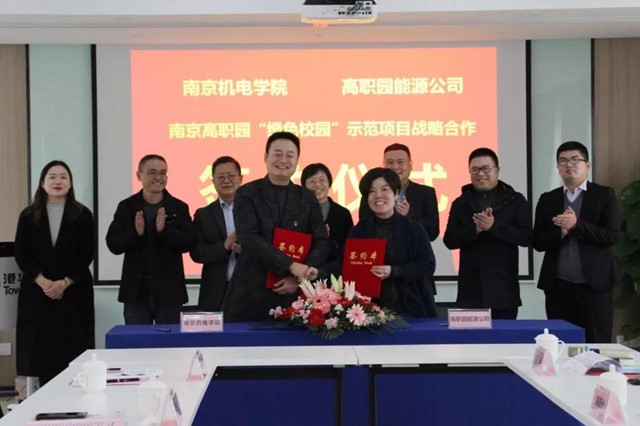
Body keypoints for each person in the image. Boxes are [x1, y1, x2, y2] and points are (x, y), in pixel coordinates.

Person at [222, 131, 330, 321]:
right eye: (277, 154)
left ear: (297, 160)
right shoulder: (247, 193)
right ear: (265, 157)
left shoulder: (306, 197)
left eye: (290, 155)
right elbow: (249, 238)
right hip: (251, 293)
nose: (283, 160)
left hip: (294, 296)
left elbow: (321, 240)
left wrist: (300, 276)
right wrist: (290, 265)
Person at [14, 160, 95, 386]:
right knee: (41, 351)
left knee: (74, 352)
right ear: (42, 183)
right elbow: (21, 253)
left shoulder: (82, 214)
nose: (58, 181)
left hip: (74, 291)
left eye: (63, 177)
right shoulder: (28, 215)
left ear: (70, 183)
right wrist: (43, 282)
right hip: (38, 292)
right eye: (52, 177)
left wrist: (64, 283)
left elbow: (86, 253)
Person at [320, 167, 437, 317]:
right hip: (369, 312)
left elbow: (428, 265)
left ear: (396, 193)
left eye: (384, 189)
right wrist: (318, 272)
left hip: (409, 308)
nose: (378, 195)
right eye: (372, 191)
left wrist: (393, 271)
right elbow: (344, 263)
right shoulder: (359, 230)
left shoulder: (413, 228)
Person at [533, 141, 620, 343]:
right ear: (558, 167)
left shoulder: (603, 195)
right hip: (558, 286)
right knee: (561, 342)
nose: (569, 165)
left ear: (587, 165)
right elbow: (537, 241)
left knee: (597, 342)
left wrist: (576, 225)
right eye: (563, 161)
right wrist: (561, 233)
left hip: (594, 286)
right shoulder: (548, 199)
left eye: (575, 159)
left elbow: (611, 236)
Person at [106, 154, 196, 324]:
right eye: (152, 172)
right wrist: (135, 234)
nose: (158, 177)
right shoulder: (127, 206)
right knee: (137, 339)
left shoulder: (178, 207)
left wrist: (164, 232)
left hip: (169, 292)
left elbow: (189, 242)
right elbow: (113, 244)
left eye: (163, 173)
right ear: (139, 175)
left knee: (170, 339)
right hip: (136, 291)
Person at [443, 148, 532, 319]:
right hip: (470, 290)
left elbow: (526, 237)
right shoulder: (461, 203)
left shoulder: (515, 200)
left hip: (503, 290)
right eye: (475, 169)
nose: (480, 174)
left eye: (486, 168)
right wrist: (475, 230)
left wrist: (493, 227)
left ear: (497, 170)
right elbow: (449, 240)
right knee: (470, 336)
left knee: (504, 335)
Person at [190, 156, 243, 311]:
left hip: (248, 289)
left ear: (240, 179)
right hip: (215, 292)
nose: (226, 180)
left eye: (231, 176)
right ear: (213, 182)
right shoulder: (203, 215)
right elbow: (196, 253)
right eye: (221, 177)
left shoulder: (254, 211)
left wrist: (246, 249)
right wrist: (224, 247)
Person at [358, 143, 439, 241]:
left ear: (410, 165)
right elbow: (363, 231)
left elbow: (432, 233)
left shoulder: (426, 193)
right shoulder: (371, 194)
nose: (395, 167)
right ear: (384, 165)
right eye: (390, 162)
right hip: (380, 249)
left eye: (400, 162)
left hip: (412, 249)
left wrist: (409, 214)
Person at [301, 163, 353, 262]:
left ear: (329, 183)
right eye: (312, 181)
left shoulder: (342, 214)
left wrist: (326, 240)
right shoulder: (297, 212)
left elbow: (348, 248)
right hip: (302, 266)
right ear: (304, 186)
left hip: (332, 267)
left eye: (322, 180)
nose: (317, 184)